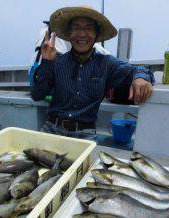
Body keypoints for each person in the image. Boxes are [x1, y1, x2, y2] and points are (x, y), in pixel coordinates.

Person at [31, 6, 154, 141]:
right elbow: (37, 94)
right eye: (76, 28)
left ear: (96, 35)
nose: (82, 34)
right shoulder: (57, 62)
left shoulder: (107, 63)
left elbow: (139, 70)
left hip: (85, 134)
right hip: (51, 129)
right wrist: (47, 62)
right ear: (69, 33)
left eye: (88, 28)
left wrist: (141, 78)